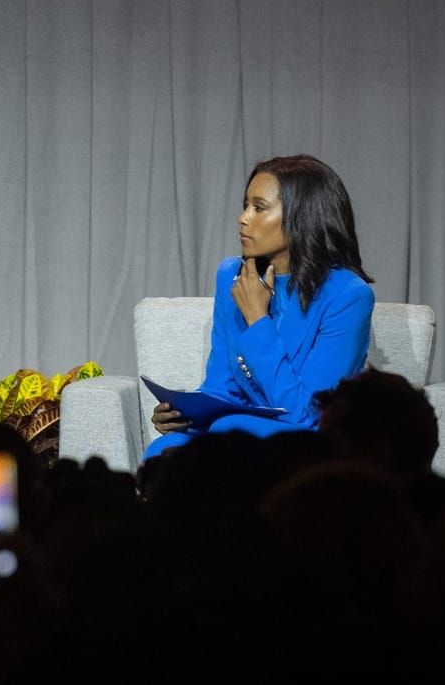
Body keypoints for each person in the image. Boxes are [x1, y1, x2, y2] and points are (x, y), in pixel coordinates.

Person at [146, 154, 374, 462]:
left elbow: (308, 415)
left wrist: (257, 320)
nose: (243, 218)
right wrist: (185, 416)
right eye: (245, 205)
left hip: (308, 442)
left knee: (230, 428)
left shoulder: (348, 296)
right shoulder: (233, 275)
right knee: (162, 451)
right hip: (235, 434)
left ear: (301, 216)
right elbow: (222, 388)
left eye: (259, 207)